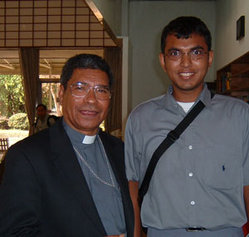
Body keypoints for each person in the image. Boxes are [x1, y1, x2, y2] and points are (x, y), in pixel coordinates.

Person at [125, 16, 249, 237]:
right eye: (175, 54)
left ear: (209, 58)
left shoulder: (240, 115)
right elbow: (132, 187)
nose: (185, 63)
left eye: (196, 52)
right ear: (163, 61)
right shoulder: (140, 119)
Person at [0, 54, 134, 236]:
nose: (91, 100)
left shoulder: (119, 149)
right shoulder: (27, 156)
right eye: (80, 88)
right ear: (62, 94)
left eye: (101, 91)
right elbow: (15, 232)